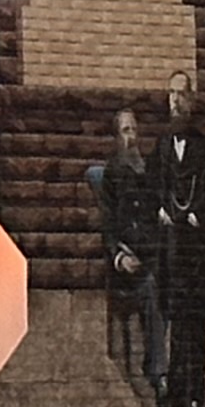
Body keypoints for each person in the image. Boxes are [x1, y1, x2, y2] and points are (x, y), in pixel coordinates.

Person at [144, 70, 205, 407]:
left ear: (191, 100)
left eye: (181, 94)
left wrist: (193, 214)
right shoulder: (161, 147)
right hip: (172, 257)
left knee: (195, 332)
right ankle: (174, 404)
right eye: (170, 94)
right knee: (176, 329)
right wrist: (164, 207)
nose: (175, 100)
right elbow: (153, 189)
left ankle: (195, 401)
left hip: (198, 258)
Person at [93, 105, 152, 391]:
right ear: (117, 138)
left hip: (149, 257)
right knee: (151, 289)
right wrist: (120, 257)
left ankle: (161, 368)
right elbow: (108, 229)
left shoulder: (147, 171)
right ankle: (158, 372)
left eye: (134, 130)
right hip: (125, 264)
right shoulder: (112, 175)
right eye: (126, 131)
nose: (132, 137)